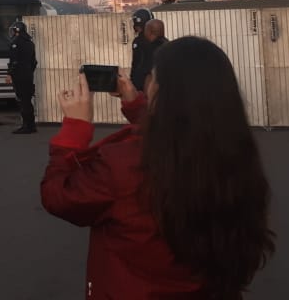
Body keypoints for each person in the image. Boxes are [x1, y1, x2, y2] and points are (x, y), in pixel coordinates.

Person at [41, 36, 276, 298]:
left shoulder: (124, 164)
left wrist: (75, 128)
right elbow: (178, 131)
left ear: (161, 91)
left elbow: (59, 196)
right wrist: (136, 105)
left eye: (151, 77)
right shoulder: (234, 153)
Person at [4, 21, 38, 134]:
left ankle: (26, 126)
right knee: (27, 100)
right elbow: (34, 62)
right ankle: (31, 125)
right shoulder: (30, 43)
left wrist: (9, 73)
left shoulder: (15, 43)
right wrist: (28, 71)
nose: (12, 32)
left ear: (17, 30)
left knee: (22, 100)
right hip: (28, 75)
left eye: (13, 30)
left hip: (19, 75)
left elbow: (14, 61)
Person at [128, 8, 154, 90]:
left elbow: (136, 63)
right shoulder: (162, 41)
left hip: (142, 83)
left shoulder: (139, 41)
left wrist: (133, 82)